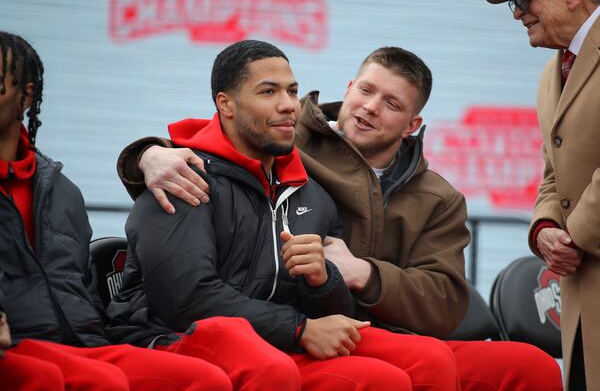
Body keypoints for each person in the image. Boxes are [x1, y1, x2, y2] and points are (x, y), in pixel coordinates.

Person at [120, 44, 565, 390]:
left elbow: (448, 302)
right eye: (366, 91)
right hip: (268, 329)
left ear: (413, 124)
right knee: (390, 371)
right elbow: (216, 140)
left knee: (530, 366)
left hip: (364, 327)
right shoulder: (291, 143)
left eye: (392, 103)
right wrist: (145, 155)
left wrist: (354, 275)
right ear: (348, 87)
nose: (370, 107)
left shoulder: (437, 196)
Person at [0, 31, 232, 391]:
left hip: (82, 343)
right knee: (94, 381)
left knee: (203, 379)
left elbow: (81, 286)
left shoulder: (62, 191)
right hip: (15, 347)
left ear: (26, 96)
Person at [483, 0, 600, 389]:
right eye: (510, 3)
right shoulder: (554, 70)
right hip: (580, 296)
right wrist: (546, 227)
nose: (517, 13)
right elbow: (555, 171)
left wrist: (575, 236)